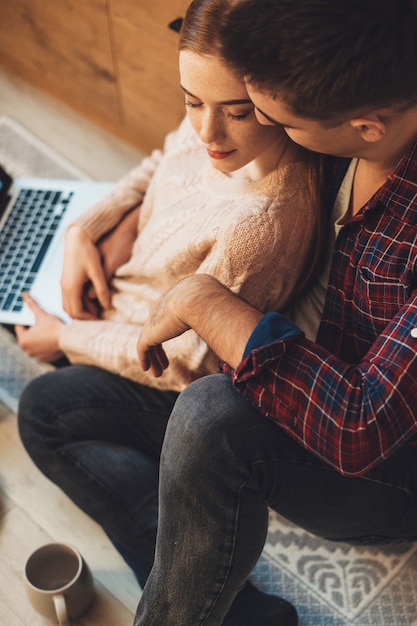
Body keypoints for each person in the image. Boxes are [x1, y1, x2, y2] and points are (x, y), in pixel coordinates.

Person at [17, 0, 327, 624]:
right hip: (126, 300)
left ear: (275, 98)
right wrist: (88, 228)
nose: (207, 132)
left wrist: (68, 337)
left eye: (236, 113)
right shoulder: (209, 128)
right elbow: (166, 157)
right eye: (191, 101)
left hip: (172, 369)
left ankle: (233, 607)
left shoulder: (261, 226)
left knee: (44, 415)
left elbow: (185, 365)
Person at [127, 0, 417, 624]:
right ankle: (241, 611)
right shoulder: (349, 61)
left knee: (209, 416)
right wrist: (109, 216)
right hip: (286, 370)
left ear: (365, 128)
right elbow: (185, 143)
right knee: (52, 412)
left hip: (385, 464)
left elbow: (358, 427)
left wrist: (203, 299)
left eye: (267, 115)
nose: (254, 120)